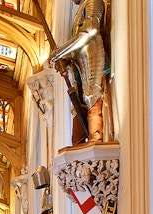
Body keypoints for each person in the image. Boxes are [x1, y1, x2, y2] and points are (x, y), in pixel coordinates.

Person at [49, 0, 106, 144]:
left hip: (91, 53)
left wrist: (59, 52)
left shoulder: (92, 2)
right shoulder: (80, 10)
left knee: (92, 94)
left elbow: (90, 30)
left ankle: (96, 136)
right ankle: (80, 141)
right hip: (79, 59)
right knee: (78, 102)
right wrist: (64, 58)